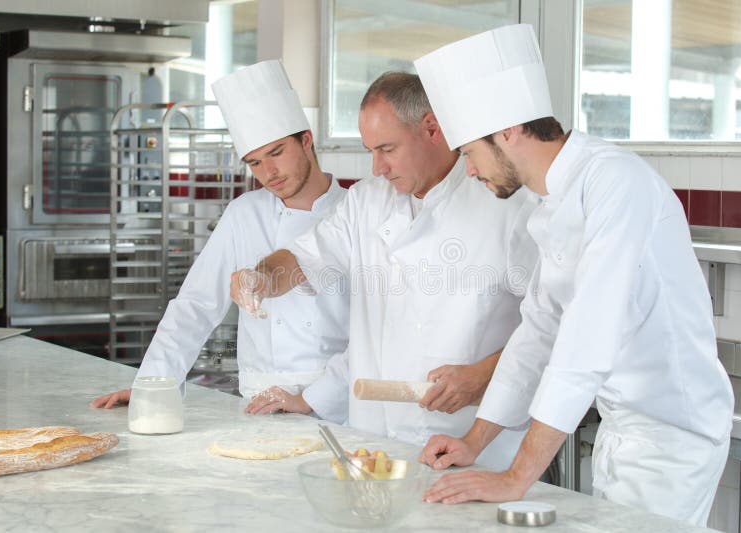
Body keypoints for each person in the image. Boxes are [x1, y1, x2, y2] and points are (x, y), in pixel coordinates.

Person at [413, 24, 735, 526]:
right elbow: (539, 331)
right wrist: (474, 441)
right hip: (621, 429)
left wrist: (516, 476)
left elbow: (587, 338)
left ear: (507, 131)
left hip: (674, 437)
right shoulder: (550, 202)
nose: (470, 173)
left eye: (470, 153)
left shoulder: (616, 184)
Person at [231, 72, 539, 470]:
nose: (377, 167)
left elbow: (553, 326)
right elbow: (303, 259)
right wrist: (260, 278)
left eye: (387, 149)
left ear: (432, 128)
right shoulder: (367, 201)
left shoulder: (508, 204)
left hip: (476, 447)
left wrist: (481, 374)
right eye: (369, 151)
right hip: (378, 444)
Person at [92, 60, 350, 421]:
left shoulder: (356, 213)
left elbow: (372, 335)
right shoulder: (244, 213)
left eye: (276, 153)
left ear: (305, 140)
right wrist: (152, 386)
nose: (268, 173)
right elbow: (195, 305)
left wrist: (318, 397)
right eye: (255, 162)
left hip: (337, 407)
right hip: (258, 403)